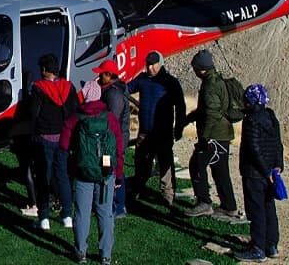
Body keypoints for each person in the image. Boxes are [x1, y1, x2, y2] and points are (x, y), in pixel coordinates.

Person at [62, 80, 125, 265]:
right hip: (106, 173)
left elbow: (64, 146)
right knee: (105, 213)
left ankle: (81, 251)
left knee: (82, 212)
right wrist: (118, 173)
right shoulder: (110, 118)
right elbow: (119, 148)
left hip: (83, 172)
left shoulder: (75, 119)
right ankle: (105, 255)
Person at [182, 49, 243, 219]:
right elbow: (206, 110)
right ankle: (229, 206)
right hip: (222, 135)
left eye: (195, 68)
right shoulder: (216, 80)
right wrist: (189, 119)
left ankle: (204, 203)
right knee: (220, 171)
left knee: (196, 165)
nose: (194, 71)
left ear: (201, 69)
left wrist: (204, 138)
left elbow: (211, 113)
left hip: (214, 136)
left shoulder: (209, 86)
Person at [20, 55, 79, 231]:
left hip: (44, 138)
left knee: (43, 177)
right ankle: (67, 215)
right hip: (63, 138)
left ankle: (44, 218)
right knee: (62, 176)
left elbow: (33, 112)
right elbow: (74, 110)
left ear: (45, 70)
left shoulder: (39, 89)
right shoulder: (68, 87)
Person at [128, 51, 186, 206]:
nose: (150, 67)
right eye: (148, 64)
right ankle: (137, 189)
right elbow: (127, 88)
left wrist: (179, 127)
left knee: (165, 165)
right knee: (141, 162)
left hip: (163, 132)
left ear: (160, 63)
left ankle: (168, 196)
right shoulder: (142, 79)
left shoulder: (170, 82)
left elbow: (180, 106)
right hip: (145, 132)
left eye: (153, 64)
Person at [235, 84, 284, 262]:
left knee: (256, 210)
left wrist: (264, 171)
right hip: (271, 170)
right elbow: (278, 144)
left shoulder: (251, 120)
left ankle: (258, 248)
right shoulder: (271, 117)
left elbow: (254, 148)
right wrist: (278, 166)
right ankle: (271, 245)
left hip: (255, 173)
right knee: (269, 207)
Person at [93, 61, 130, 217]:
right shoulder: (113, 91)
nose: (98, 76)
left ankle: (117, 206)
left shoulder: (113, 94)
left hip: (113, 141)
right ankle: (114, 204)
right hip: (114, 139)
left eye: (101, 73)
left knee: (113, 171)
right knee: (112, 170)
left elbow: (112, 121)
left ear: (108, 75)